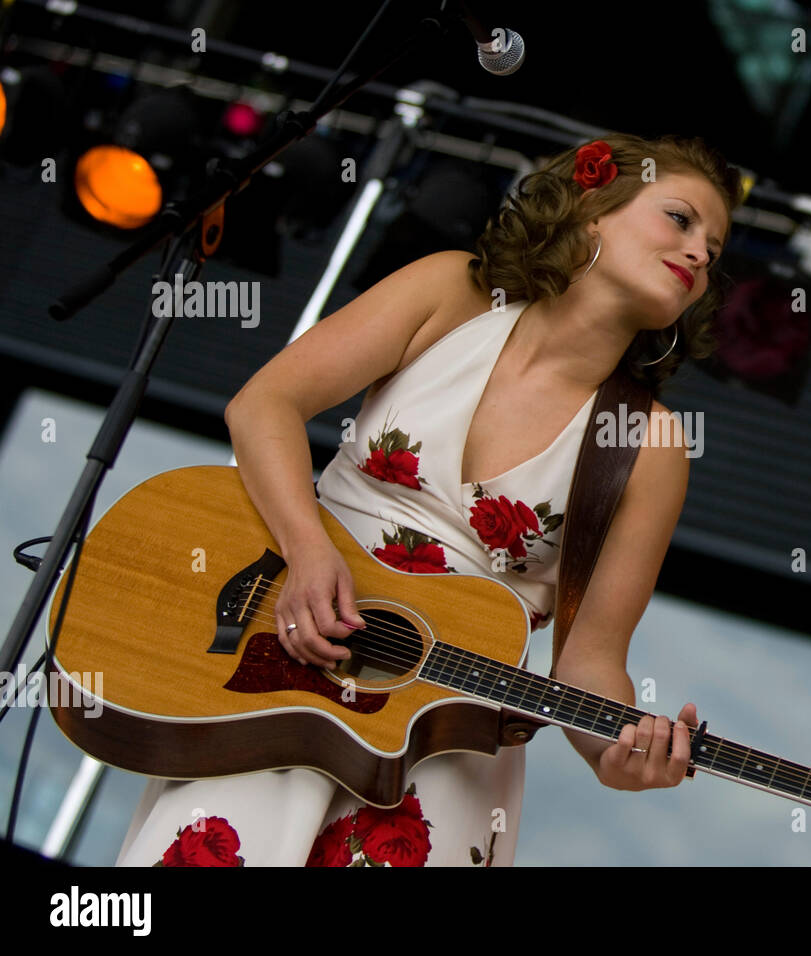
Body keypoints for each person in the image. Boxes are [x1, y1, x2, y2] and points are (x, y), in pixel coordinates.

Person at [113, 133, 744, 866]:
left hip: (445, 748)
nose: (701, 254)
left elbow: (589, 660)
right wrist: (309, 554)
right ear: (593, 209)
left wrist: (617, 755)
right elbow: (265, 406)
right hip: (285, 664)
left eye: (716, 249)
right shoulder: (450, 293)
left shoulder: (651, 445)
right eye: (681, 219)